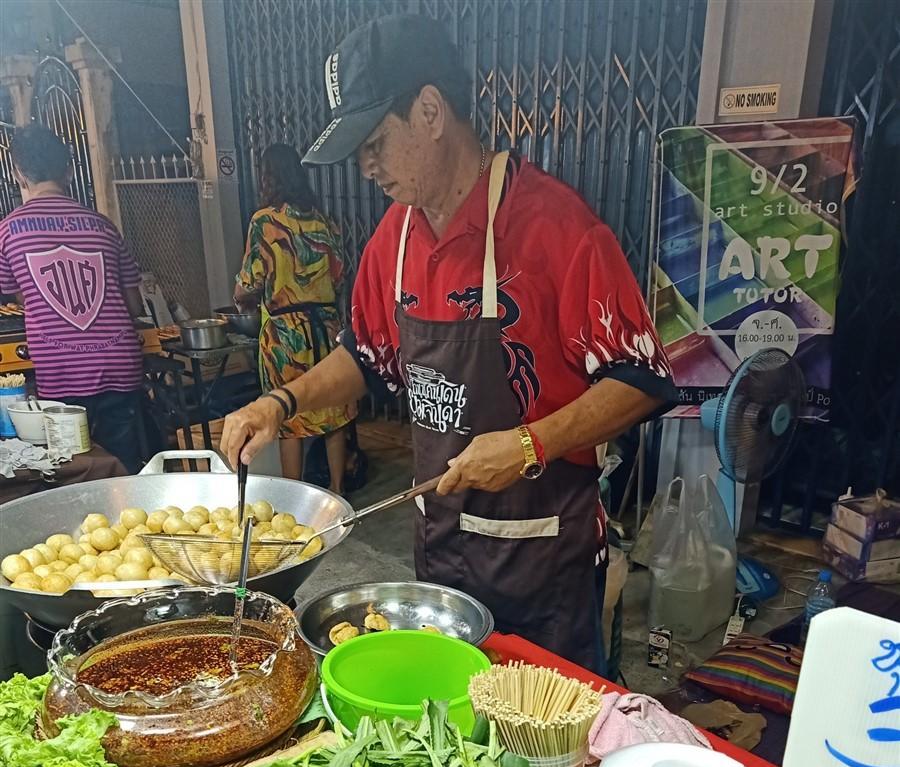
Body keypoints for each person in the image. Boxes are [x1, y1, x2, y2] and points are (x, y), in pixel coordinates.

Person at [223, 15, 675, 670]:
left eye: (376, 142)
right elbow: (366, 356)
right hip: (440, 555)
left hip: (543, 561)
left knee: (539, 752)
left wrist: (528, 445)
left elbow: (643, 380)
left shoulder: (553, 226)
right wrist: (280, 404)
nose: (367, 167)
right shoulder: (395, 240)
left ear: (430, 110)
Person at [0, 124, 145, 473]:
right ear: (69, 169)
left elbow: (17, 293)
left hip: (60, 371)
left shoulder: (8, 231)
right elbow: (135, 305)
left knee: (71, 466)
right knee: (122, 465)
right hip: (119, 363)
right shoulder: (104, 225)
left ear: (19, 173)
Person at [234, 143, 353, 491]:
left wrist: (241, 296)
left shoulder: (265, 221)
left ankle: (295, 496)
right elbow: (339, 274)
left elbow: (249, 281)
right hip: (328, 331)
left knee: (289, 418)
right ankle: (337, 490)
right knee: (333, 413)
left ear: (268, 177)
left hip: (286, 336)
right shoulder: (324, 222)